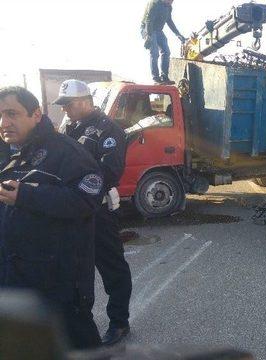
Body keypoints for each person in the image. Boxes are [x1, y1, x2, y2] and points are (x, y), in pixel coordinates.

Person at [0, 86, 102, 349]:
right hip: (15, 276)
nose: (4, 123)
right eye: (0, 115)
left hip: (59, 282)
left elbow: (85, 201)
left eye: (12, 113)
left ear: (36, 114)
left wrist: (27, 196)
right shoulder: (7, 151)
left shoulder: (67, 153)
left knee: (78, 345)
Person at [55, 80, 132, 346]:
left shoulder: (108, 129)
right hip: (69, 212)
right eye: (62, 105)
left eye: (68, 104)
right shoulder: (68, 127)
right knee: (74, 268)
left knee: (112, 269)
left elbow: (110, 172)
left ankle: (120, 322)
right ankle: (77, 321)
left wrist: (73, 186)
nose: (64, 110)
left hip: (97, 213)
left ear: (86, 101)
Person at [141, 0, 186, 84]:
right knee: (154, 53)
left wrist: (178, 34)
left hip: (158, 30)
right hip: (148, 29)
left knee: (166, 51)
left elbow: (169, 21)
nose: (172, 2)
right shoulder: (154, 3)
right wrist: (148, 36)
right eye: (170, 0)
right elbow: (148, 20)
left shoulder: (168, 7)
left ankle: (164, 76)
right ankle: (155, 78)